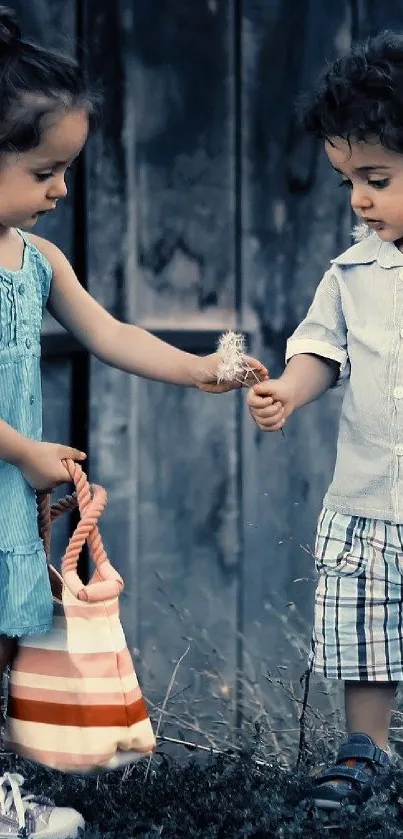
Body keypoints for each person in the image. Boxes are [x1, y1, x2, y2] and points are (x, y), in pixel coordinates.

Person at [0, 6, 267, 837]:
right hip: (17, 465)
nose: (62, 190)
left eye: (68, 169)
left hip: (10, 498)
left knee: (6, 647)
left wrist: (197, 369)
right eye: (46, 169)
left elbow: (109, 331)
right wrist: (26, 451)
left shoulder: (38, 260)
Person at [247, 31, 403, 811]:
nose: (357, 200)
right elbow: (321, 348)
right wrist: (288, 389)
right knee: (368, 635)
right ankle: (365, 750)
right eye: (347, 181)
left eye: (374, 178)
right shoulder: (351, 271)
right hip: (372, 495)